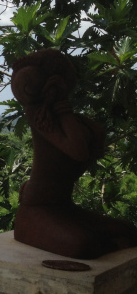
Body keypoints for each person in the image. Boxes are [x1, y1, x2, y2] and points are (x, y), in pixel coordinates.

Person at [11, 49, 137, 259]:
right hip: (37, 207)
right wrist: (62, 107)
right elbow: (77, 150)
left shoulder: (72, 121)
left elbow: (89, 145)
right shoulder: (39, 115)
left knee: (129, 231)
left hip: (62, 206)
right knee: (83, 245)